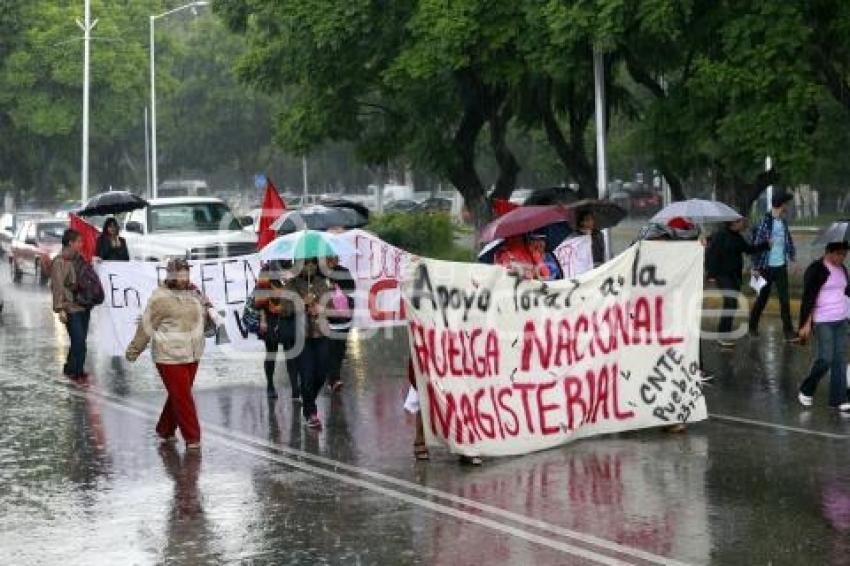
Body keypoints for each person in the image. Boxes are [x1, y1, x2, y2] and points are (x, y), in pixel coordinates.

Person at [126, 258, 211, 449]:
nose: (183, 278)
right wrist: (134, 349)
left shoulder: (195, 292)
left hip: (193, 352)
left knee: (179, 395)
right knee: (184, 398)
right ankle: (193, 438)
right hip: (169, 356)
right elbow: (146, 326)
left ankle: (165, 429)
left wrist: (207, 307)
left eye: (186, 273)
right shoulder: (159, 298)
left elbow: (204, 320)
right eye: (179, 274)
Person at [796, 242, 850, 411]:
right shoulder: (816, 269)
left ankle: (838, 399)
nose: (842, 257)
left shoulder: (843, 270)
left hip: (842, 319)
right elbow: (808, 298)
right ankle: (807, 388)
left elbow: (846, 293)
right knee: (825, 358)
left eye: (845, 254)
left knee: (839, 360)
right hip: (823, 320)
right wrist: (805, 322)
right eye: (839, 254)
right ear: (829, 252)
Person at [706, 217, 770, 348]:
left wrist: (766, 245)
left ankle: (724, 334)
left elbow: (748, 249)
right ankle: (723, 336)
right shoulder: (719, 236)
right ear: (733, 222)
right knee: (730, 302)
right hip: (722, 275)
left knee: (732, 304)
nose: (743, 223)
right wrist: (711, 274)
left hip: (734, 276)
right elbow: (711, 255)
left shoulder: (737, 237)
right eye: (740, 221)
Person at [749, 193, 798, 341]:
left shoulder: (783, 222)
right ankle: (752, 327)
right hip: (765, 267)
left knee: (784, 299)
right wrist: (755, 267)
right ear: (781, 204)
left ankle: (788, 332)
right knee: (762, 299)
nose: (787, 206)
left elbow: (787, 239)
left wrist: (792, 257)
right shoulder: (765, 221)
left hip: (780, 266)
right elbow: (756, 245)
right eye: (786, 204)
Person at [291, 257, 332, 429]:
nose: (310, 267)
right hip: (302, 338)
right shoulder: (291, 284)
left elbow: (332, 306)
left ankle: (308, 398)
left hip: (321, 335)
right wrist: (302, 303)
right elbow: (284, 309)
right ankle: (310, 412)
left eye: (313, 263)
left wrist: (321, 308)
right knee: (307, 376)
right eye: (306, 263)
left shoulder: (323, 283)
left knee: (321, 374)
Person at [254, 261, 300, 400]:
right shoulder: (266, 271)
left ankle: (295, 388)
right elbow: (260, 300)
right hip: (270, 317)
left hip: (288, 315)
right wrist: (263, 320)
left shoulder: (294, 268)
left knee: (291, 352)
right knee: (271, 352)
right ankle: (270, 385)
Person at [51, 229, 91, 380]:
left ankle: (71, 368)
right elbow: (57, 286)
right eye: (79, 241)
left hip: (84, 305)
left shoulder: (80, 259)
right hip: (70, 308)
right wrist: (60, 309)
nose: (81, 244)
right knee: (79, 341)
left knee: (78, 341)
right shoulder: (59, 262)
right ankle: (77, 373)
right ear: (70, 243)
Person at [323, 255, 355, 392]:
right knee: (331, 350)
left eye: (335, 258)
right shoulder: (320, 273)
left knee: (340, 350)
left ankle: (334, 376)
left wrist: (337, 287)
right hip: (327, 319)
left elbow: (352, 288)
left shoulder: (343, 271)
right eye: (330, 258)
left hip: (343, 319)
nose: (333, 260)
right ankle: (334, 379)